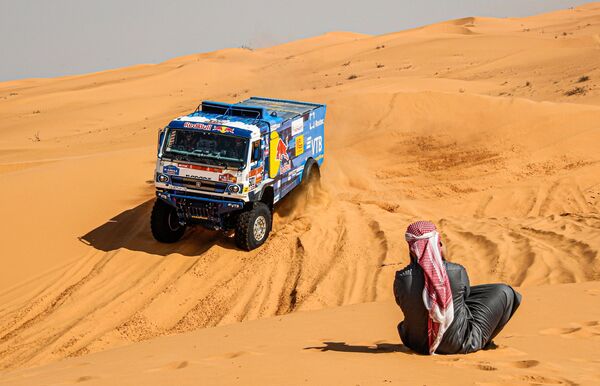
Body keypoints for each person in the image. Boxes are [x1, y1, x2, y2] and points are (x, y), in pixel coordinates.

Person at [393, 221, 521, 355]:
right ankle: (481, 341)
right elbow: (466, 297)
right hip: (459, 344)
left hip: (416, 344)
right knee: (505, 292)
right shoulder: (457, 271)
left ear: (412, 248)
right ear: (438, 245)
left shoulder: (401, 278)